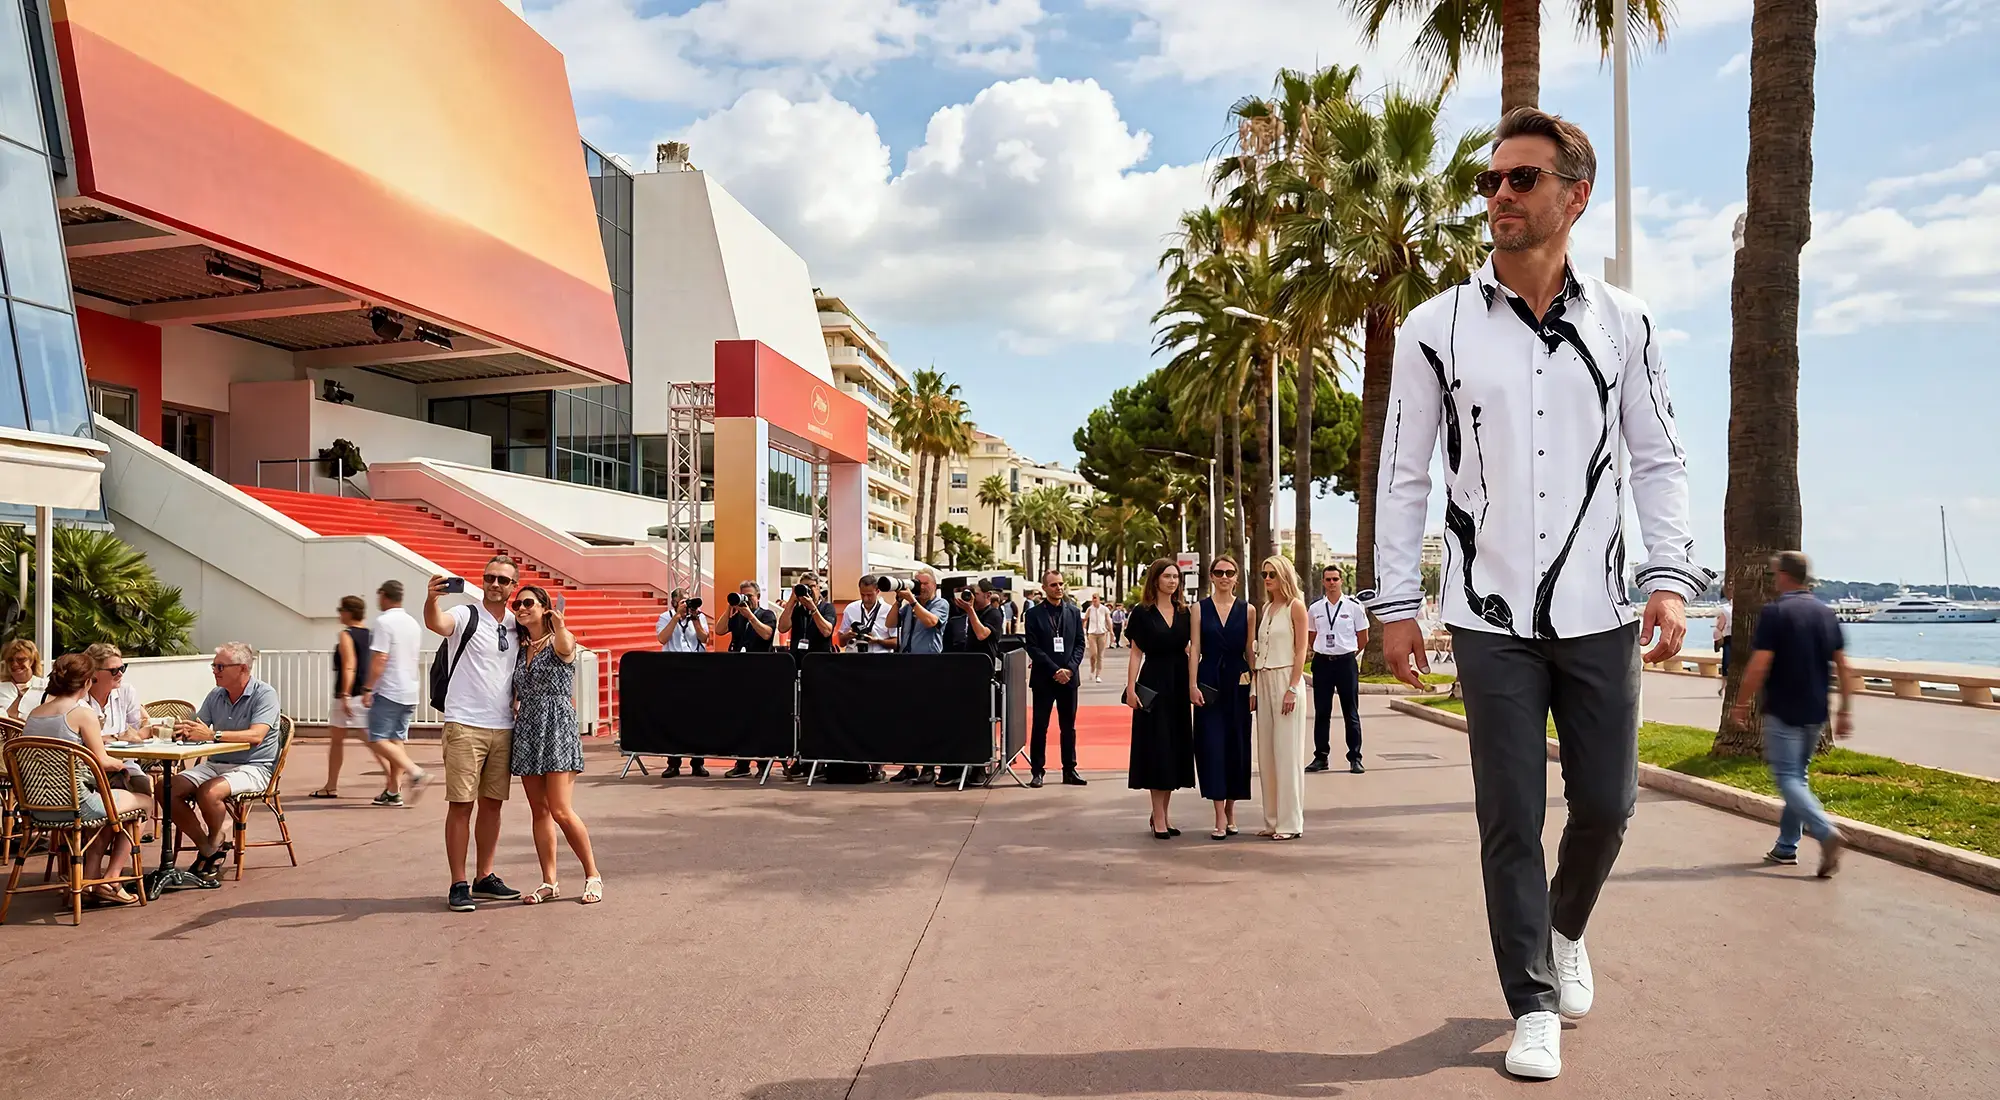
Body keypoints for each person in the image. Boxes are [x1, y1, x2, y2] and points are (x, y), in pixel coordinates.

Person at [1372, 108, 1707, 1080]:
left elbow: (1658, 457)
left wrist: (1668, 578)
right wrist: (1395, 602)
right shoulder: (1434, 327)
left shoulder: (1625, 323)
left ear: (1575, 195)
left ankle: (1563, 929)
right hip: (1487, 616)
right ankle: (1531, 1001)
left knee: (1606, 804)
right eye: (1491, 181)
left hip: (1601, 609)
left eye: (1521, 179)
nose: (1499, 196)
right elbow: (1402, 474)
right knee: (1510, 815)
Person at [1730, 552, 1850, 877]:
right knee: (1799, 775)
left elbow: (1760, 663)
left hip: (1783, 708)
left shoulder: (1776, 612)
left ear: (1784, 575)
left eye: (1774, 574)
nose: (1773, 579)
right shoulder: (1826, 613)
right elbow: (1843, 665)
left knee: (1787, 777)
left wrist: (1740, 703)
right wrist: (1845, 710)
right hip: (1816, 710)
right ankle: (1786, 846)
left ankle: (1825, 831)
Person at [426, 557, 525, 912]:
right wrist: (431, 599)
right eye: (489, 577)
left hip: (503, 726)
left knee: (493, 804)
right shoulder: (466, 614)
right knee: (461, 804)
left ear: (513, 586)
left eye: (503, 580)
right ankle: (458, 882)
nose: (495, 584)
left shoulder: (516, 625)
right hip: (465, 723)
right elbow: (437, 623)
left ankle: (484, 876)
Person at [23, 654, 150, 906]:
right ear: (87, 682)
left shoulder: (35, 715)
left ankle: (87, 881)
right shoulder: (82, 713)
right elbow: (102, 760)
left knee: (108, 807)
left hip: (37, 806)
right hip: (77, 805)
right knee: (145, 802)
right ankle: (112, 879)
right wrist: (121, 765)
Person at [507, 584, 603, 905]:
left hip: (557, 726)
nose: (521, 608)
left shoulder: (561, 638)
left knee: (561, 810)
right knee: (539, 810)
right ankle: (549, 881)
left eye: (528, 603)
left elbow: (566, 648)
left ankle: (593, 874)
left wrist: (560, 625)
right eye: (517, 604)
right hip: (528, 729)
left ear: (544, 607)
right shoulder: (521, 648)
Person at [171, 642, 282, 883]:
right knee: (166, 788)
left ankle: (214, 841)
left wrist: (213, 735)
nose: (214, 670)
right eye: (214, 665)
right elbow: (198, 727)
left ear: (242, 668)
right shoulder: (216, 695)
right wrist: (181, 730)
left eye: (220, 666)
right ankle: (209, 845)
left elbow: (256, 736)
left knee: (209, 793)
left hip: (255, 766)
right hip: (216, 763)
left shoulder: (265, 694)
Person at [1125, 558, 1196, 838]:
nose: (1172, 581)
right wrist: (1131, 688)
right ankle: (1158, 817)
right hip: (1153, 683)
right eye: (1167, 576)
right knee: (1157, 748)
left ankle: (1162, 815)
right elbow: (1136, 653)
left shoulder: (1185, 612)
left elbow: (1191, 649)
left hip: (1178, 683)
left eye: (1176, 577)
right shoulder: (1141, 613)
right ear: (1155, 580)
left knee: (1173, 749)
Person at [1191, 556, 1254, 840]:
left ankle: (1231, 810)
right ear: (1212, 576)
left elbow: (1250, 650)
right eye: (1219, 572)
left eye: (1229, 572)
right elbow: (1195, 649)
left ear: (1237, 577)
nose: (1224, 577)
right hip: (1209, 681)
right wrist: (1192, 684)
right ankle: (1218, 815)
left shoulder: (1248, 610)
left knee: (1237, 745)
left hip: (1239, 682)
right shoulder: (1199, 608)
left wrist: (1255, 687)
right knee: (1212, 746)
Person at [1253, 557, 1311, 841]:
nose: (1267, 578)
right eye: (1264, 574)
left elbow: (1301, 650)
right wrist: (1254, 688)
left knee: (1287, 754)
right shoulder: (1266, 608)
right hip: (1264, 679)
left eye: (1272, 574)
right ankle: (1273, 820)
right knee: (1267, 755)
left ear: (1284, 575)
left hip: (1286, 679)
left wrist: (1293, 687)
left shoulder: (1295, 607)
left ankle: (1290, 822)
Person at [361, 580, 428, 806]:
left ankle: (415, 772)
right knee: (396, 740)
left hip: (389, 689)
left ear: (384, 595)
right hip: (409, 689)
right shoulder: (412, 623)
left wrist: (368, 687)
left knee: (377, 738)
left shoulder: (383, 622)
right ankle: (393, 790)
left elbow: (380, 658)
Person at [884, 570, 951, 783]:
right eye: (917, 583)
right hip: (906, 665)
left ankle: (929, 767)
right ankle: (909, 765)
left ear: (934, 585)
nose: (920, 587)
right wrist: (898, 601)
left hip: (929, 666)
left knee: (928, 719)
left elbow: (931, 622)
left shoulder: (940, 604)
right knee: (907, 718)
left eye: (924, 583)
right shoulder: (908, 607)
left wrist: (913, 602)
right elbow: (890, 623)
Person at [1024, 569, 1087, 788]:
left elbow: (1080, 643)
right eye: (1053, 585)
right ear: (1044, 588)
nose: (1058, 588)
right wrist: (1054, 670)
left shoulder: (1073, 612)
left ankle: (1069, 769)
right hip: (1044, 678)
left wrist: (1069, 669)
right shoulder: (1033, 615)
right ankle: (1037, 771)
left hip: (1069, 679)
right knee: (1040, 726)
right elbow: (1032, 647)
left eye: (1061, 584)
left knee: (1068, 727)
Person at [1306, 565, 1370, 774]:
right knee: (1322, 712)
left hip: (1345, 663)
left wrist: (1349, 652)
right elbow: (1311, 636)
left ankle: (1355, 757)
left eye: (1335, 579)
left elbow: (1363, 637)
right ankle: (1321, 757)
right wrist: (1322, 650)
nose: (1332, 583)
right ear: (1323, 582)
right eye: (1328, 579)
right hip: (1322, 663)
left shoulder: (1354, 607)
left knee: (1350, 711)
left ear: (1341, 581)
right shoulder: (1315, 609)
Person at [311, 596, 372, 799]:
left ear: (348, 612)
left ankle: (403, 773)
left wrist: (345, 694)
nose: (339, 614)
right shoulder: (371, 635)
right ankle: (331, 784)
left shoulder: (346, 635)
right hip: (365, 692)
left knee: (361, 740)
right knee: (360, 738)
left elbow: (349, 666)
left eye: (341, 610)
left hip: (349, 694)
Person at [718, 580, 779, 778]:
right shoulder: (737, 617)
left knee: (760, 721)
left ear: (758, 597)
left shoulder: (767, 614)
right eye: (743, 595)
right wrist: (730, 607)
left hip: (761, 674)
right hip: (739, 674)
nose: (747, 599)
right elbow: (719, 630)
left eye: (750, 596)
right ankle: (742, 763)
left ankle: (762, 765)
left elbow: (767, 634)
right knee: (740, 720)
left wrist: (750, 616)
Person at [656, 587, 713, 778]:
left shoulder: (699, 617)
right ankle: (673, 763)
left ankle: (698, 763)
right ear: (674, 602)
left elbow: (705, 638)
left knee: (698, 717)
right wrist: (676, 618)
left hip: (696, 669)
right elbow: (662, 638)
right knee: (674, 718)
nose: (687, 604)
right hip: (673, 670)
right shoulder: (665, 617)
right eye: (683, 601)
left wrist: (695, 619)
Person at [81, 643, 151, 793]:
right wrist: (118, 737)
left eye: (122, 668)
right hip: (89, 767)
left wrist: (111, 738)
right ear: (93, 673)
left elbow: (135, 733)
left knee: (143, 785)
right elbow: (81, 742)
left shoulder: (126, 692)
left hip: (124, 763)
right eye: (114, 670)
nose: (120, 674)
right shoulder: (80, 697)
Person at [836, 577, 894, 654]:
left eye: (869, 595)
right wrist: (848, 636)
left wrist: (877, 641)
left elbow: (896, 642)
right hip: (854, 657)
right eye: (862, 594)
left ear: (877, 591)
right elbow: (841, 642)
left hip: (879, 658)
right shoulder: (850, 608)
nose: (865, 598)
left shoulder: (889, 610)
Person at [1, 638, 44, 719]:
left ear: (32, 661)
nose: (15, 664)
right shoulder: (2, 688)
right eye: (10, 660)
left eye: (20, 659)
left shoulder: (44, 686)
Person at [1083, 593, 1111, 682]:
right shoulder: (1090, 609)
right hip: (1092, 633)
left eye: (1095, 598)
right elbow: (1085, 619)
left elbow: (1108, 619)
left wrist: (1111, 631)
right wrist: (1083, 628)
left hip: (1102, 633)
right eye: (1093, 598)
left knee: (1100, 655)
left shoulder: (1104, 609)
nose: (1094, 600)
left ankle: (1098, 675)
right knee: (1093, 654)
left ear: (1099, 599)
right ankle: (1092, 669)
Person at [1713, 588, 1734, 697]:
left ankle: (1723, 687)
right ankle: (1723, 687)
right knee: (1727, 665)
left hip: (1729, 639)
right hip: (1731, 639)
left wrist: (1716, 640)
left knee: (1726, 664)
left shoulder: (1726, 610)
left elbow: (1719, 627)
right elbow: (1719, 627)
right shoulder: (1726, 610)